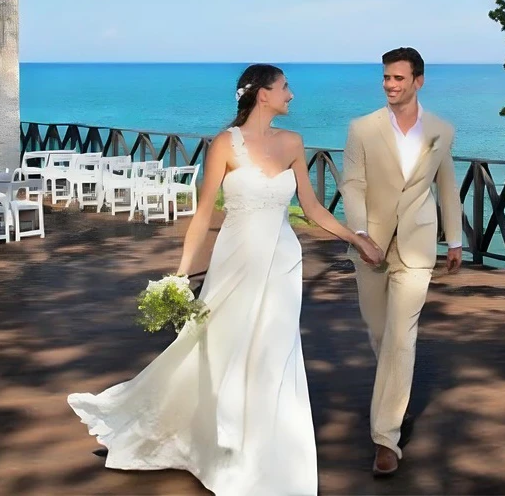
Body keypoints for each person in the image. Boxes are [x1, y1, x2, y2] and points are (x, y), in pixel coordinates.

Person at [67, 63, 382, 496]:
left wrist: (357, 238)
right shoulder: (225, 144)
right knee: (215, 350)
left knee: (274, 355)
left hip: (282, 265)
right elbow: (202, 215)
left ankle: (269, 459)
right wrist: (181, 274)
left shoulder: (292, 142)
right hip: (234, 265)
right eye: (285, 87)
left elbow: (313, 210)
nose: (291, 94)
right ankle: (209, 443)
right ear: (263, 94)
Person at [340, 47, 463, 477]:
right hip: (370, 245)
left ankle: (386, 438)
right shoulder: (362, 128)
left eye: (398, 78)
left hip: (417, 247)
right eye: (386, 78)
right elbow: (352, 185)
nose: (390, 85)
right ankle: (394, 399)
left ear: (418, 81)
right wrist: (360, 235)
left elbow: (447, 185)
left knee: (401, 337)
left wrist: (455, 240)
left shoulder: (441, 130)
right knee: (380, 333)